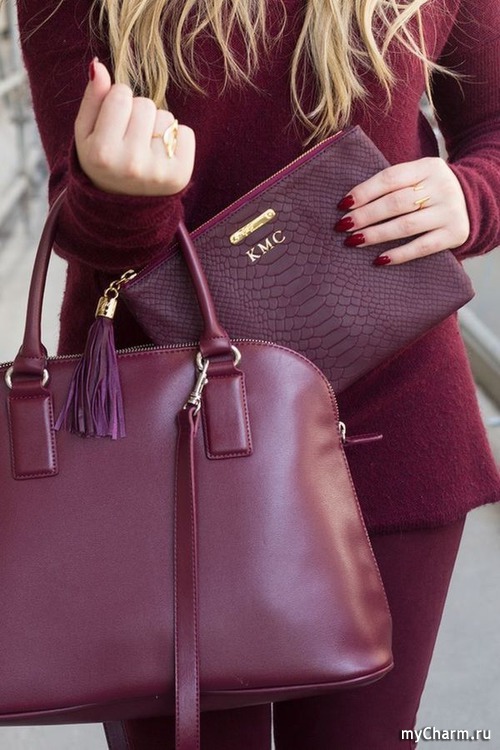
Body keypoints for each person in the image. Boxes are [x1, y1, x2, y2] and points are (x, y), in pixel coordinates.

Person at [15, 0, 500, 747]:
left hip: (389, 421)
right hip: (157, 441)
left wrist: (470, 198)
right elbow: (77, 214)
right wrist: (121, 198)